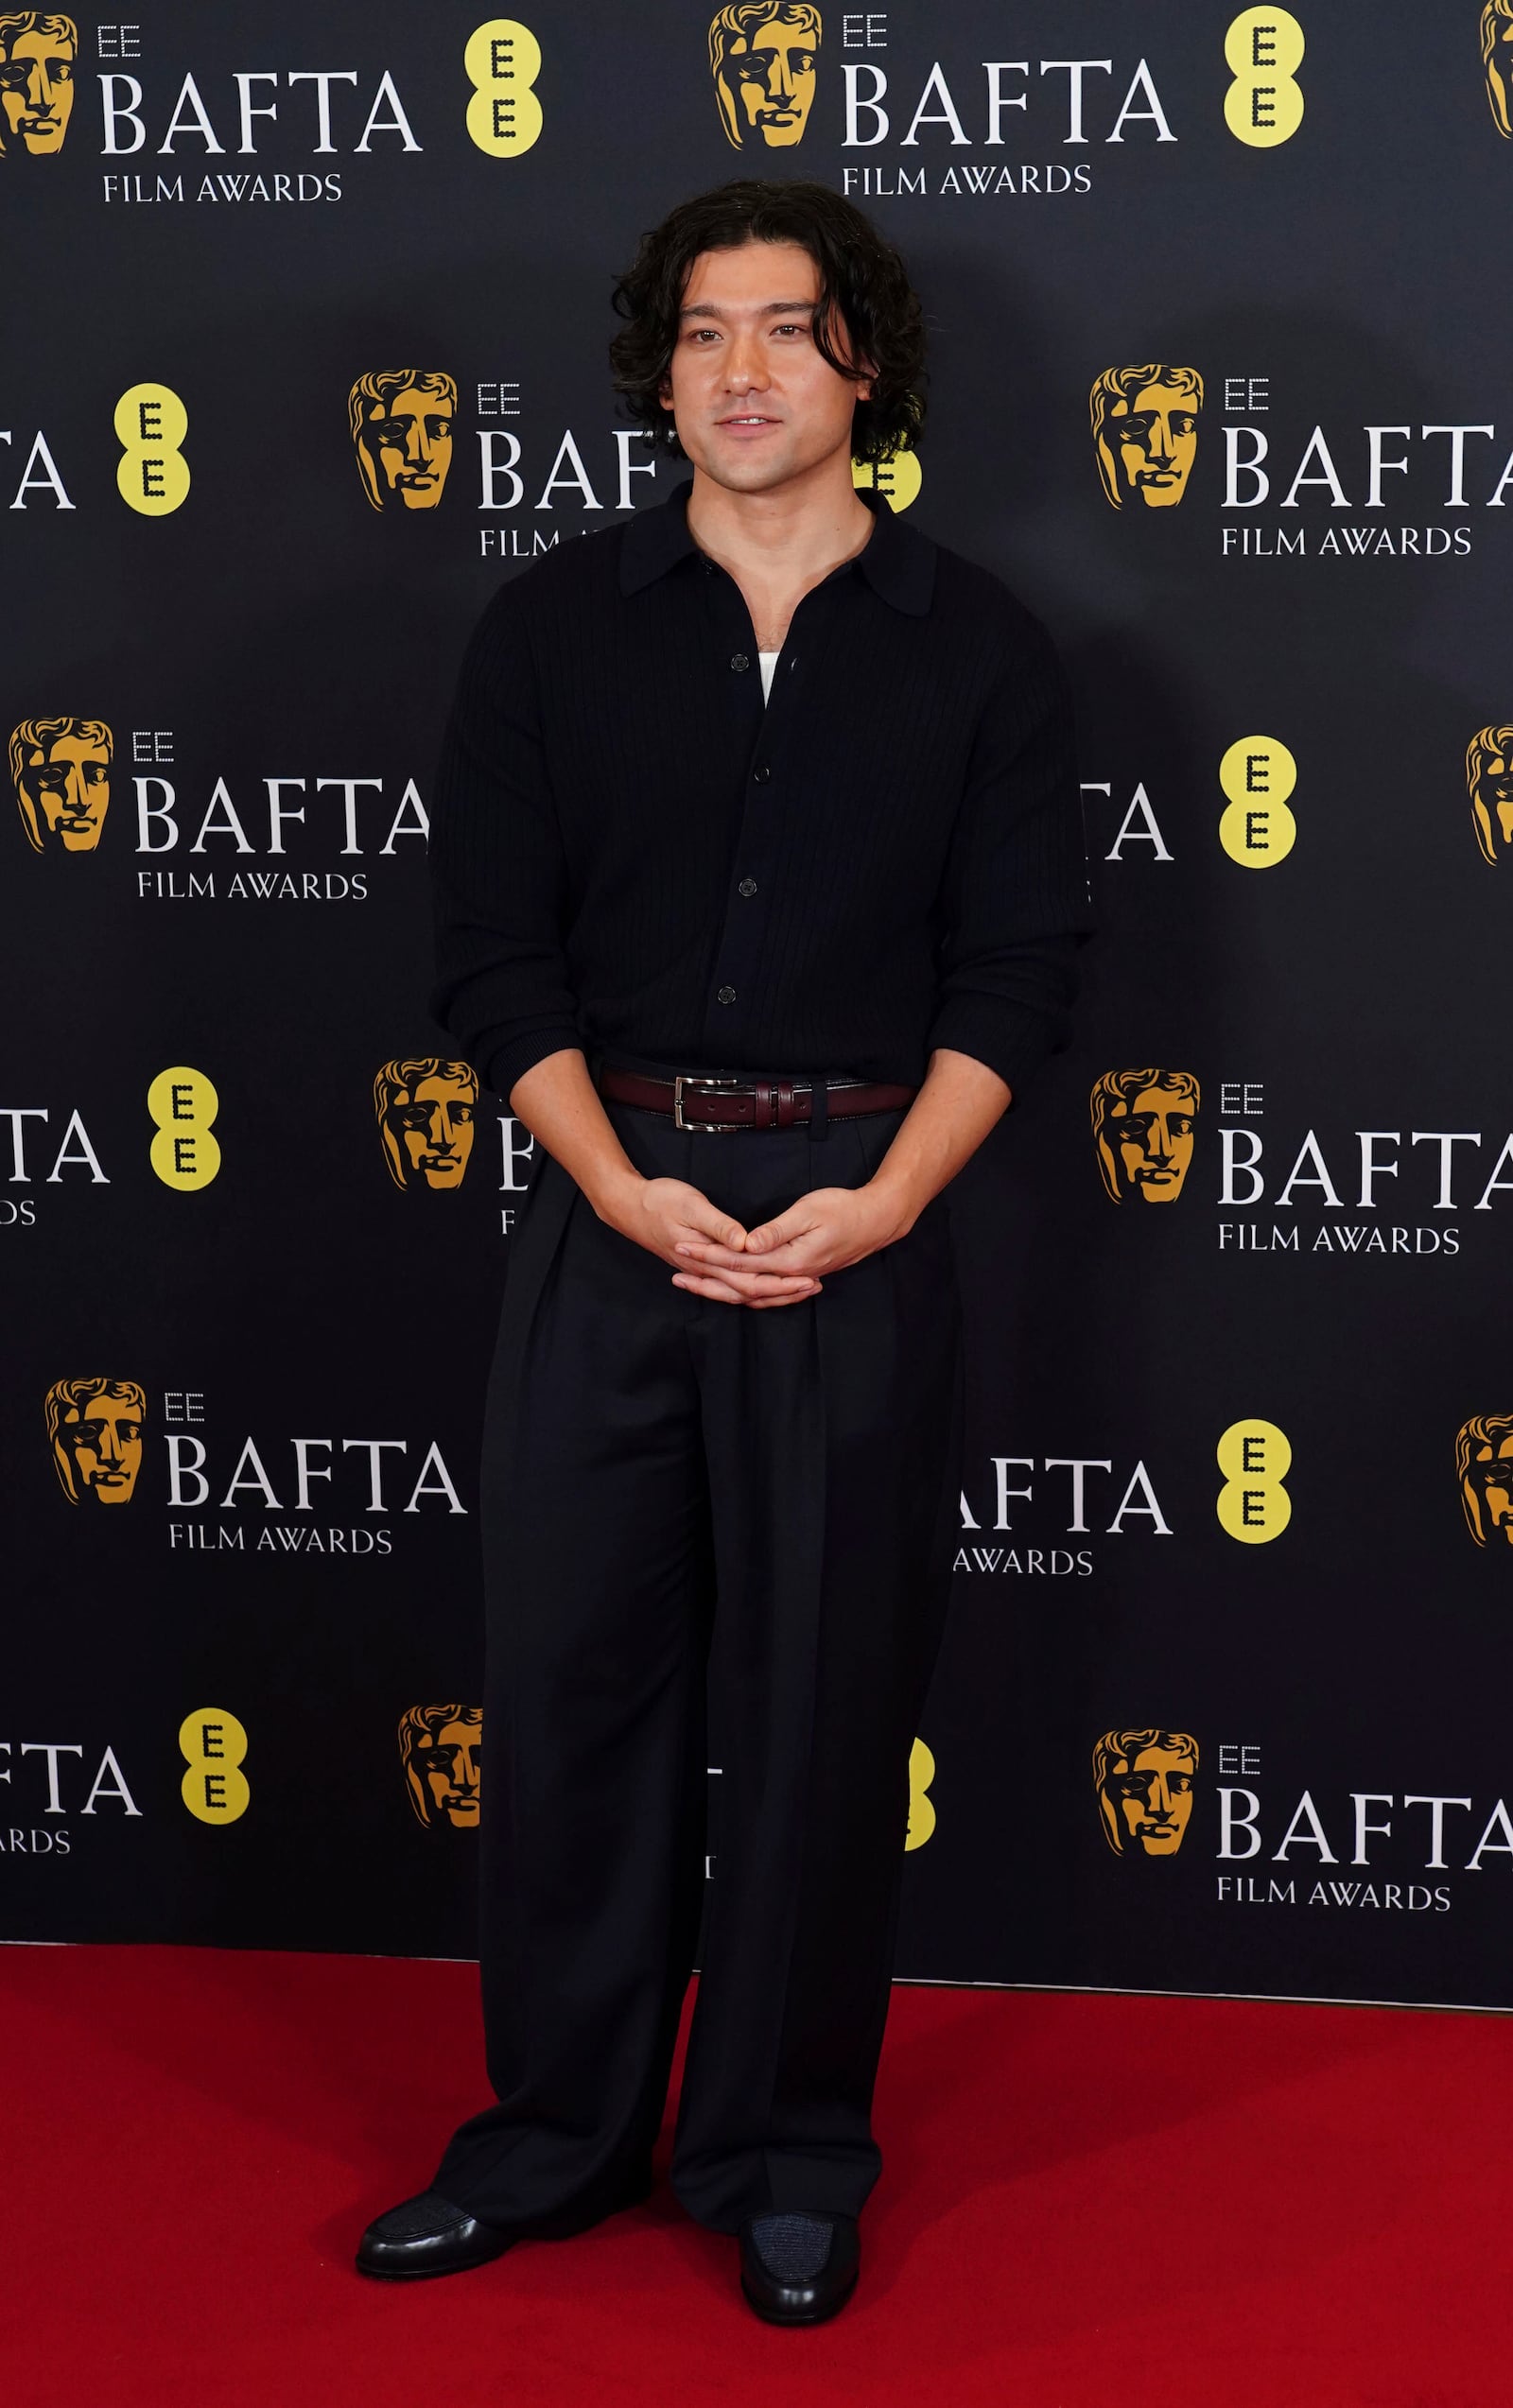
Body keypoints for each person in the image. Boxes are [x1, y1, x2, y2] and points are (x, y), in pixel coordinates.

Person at [356, 176, 1092, 2326]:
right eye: (699, 332)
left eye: (785, 329)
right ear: (654, 367)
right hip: (612, 1225)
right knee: (575, 1696)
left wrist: (883, 1201)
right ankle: (553, 2134)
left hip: (860, 1221)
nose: (740, 370)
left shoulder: (981, 648)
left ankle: (779, 2145)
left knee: (814, 1712)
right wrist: (610, 1180)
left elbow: (1021, 973)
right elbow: (489, 965)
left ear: (864, 367)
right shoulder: (550, 632)